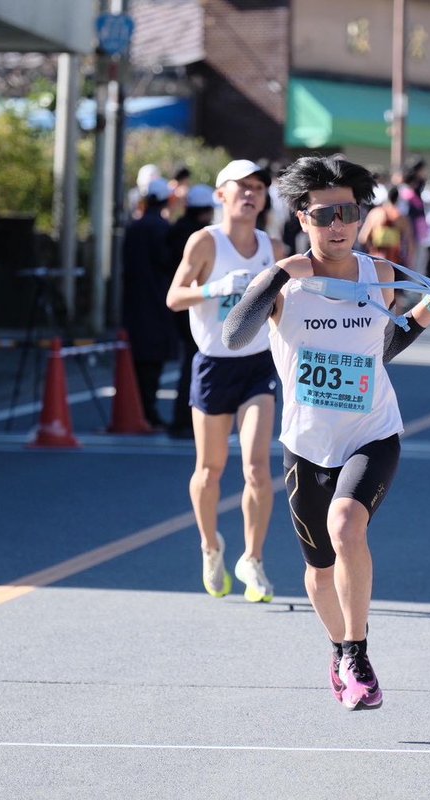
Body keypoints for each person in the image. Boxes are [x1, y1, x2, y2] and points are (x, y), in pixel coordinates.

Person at [221, 155, 430, 710]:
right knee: (318, 570)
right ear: (301, 217)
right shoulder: (286, 283)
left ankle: (357, 652)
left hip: (372, 431)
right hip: (307, 442)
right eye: (323, 214)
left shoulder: (381, 275)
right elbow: (234, 333)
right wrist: (277, 275)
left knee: (347, 525)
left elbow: (383, 349)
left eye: (348, 211)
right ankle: (339, 645)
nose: (338, 224)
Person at [165, 159, 286, 603]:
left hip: (257, 364)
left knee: (257, 468)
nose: (251, 194)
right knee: (210, 469)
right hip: (214, 364)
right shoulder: (205, 242)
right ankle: (211, 546)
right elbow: (174, 297)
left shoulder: (272, 246)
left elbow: (289, 302)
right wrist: (216, 289)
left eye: (258, 187)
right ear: (221, 195)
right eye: (242, 187)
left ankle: (253, 560)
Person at [121, 177, 175, 429]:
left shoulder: (133, 228)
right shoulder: (163, 229)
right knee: (153, 363)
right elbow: (168, 263)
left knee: (136, 360)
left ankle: (136, 410)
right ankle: (148, 412)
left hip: (133, 302)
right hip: (157, 300)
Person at [164, 183, 217, 439]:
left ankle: (183, 419)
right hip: (194, 304)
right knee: (196, 363)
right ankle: (186, 420)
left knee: (189, 362)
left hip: (179, 304)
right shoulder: (201, 237)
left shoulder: (175, 230)